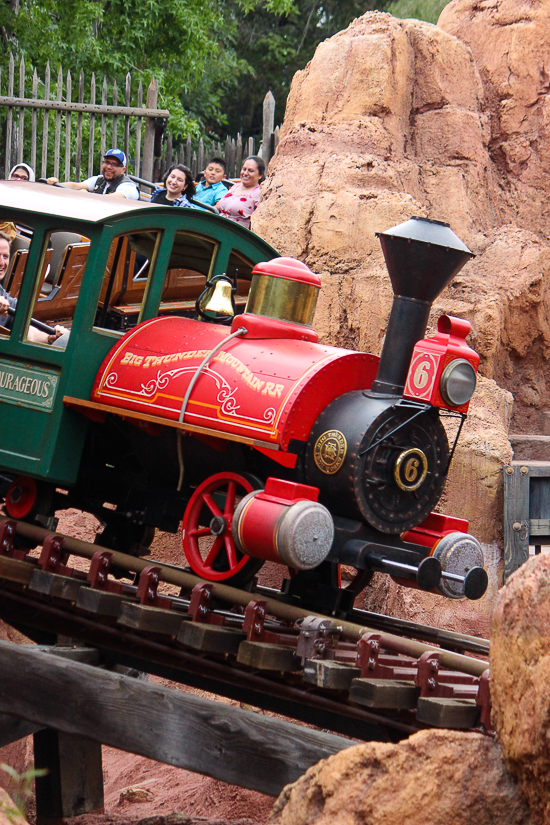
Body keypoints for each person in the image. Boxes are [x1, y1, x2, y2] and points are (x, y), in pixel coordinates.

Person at [0, 231, 66, 344]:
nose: (2, 262)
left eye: (5, 257)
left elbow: (29, 333)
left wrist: (49, 337)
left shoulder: (5, 297)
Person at [46, 149, 139, 200]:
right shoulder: (99, 180)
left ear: (123, 170)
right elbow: (76, 186)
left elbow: (113, 199)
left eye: (114, 164)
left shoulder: (128, 186)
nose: (109, 167)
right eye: (107, 162)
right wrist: (55, 184)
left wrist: (87, 196)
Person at [216, 156, 264, 229]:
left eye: (250, 171)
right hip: (219, 226)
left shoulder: (259, 193)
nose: (245, 173)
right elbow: (219, 206)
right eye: (244, 169)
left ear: (260, 175)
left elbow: (259, 223)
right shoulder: (236, 185)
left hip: (237, 233)